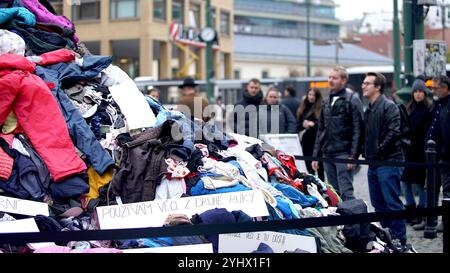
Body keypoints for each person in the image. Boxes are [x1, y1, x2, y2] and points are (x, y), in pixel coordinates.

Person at [362, 72, 409, 252]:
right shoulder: (370, 108)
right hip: (374, 163)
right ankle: (388, 237)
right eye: (364, 83)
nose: (363, 86)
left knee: (392, 203)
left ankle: (400, 239)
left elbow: (394, 132)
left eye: (367, 83)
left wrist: (378, 150)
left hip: (389, 162)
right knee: (378, 203)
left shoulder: (389, 106)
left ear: (378, 87)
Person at [312, 66, 363, 201]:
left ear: (343, 80)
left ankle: (352, 220)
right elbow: (321, 129)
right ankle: (341, 218)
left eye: (335, 78)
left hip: (344, 153)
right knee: (334, 193)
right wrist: (316, 156)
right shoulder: (326, 100)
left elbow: (358, 129)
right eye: (330, 77)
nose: (331, 80)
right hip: (327, 153)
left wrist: (353, 155)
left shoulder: (352, 99)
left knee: (346, 191)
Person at [400, 77, 430, 227]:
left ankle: (421, 213)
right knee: (405, 182)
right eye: (415, 91)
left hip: (420, 153)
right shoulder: (410, 108)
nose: (418, 94)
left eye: (420, 91)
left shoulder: (427, 110)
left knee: (419, 184)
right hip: (410, 152)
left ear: (425, 93)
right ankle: (411, 211)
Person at [426, 75, 450, 232]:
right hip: (433, 155)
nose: (433, 90)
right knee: (431, 188)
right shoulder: (437, 104)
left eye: (436, 88)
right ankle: (431, 219)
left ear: (445, 88)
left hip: (445, 155)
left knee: (447, 190)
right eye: (432, 88)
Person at [297, 88, 325, 181]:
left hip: (317, 141)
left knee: (320, 168)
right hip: (306, 141)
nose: (311, 97)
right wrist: (303, 124)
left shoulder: (321, 108)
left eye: (313, 95)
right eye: (309, 94)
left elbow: (323, 125)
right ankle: (313, 186)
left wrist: (314, 124)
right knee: (309, 166)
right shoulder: (303, 108)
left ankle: (322, 188)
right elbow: (298, 124)